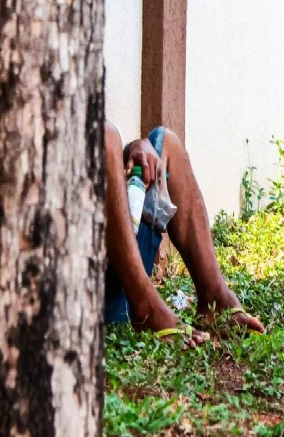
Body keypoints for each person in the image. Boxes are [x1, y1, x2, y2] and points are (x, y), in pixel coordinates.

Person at [104, 122, 264, 346]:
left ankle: (214, 299)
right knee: (103, 135)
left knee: (167, 143)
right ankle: (146, 310)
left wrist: (135, 150)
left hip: (117, 275)